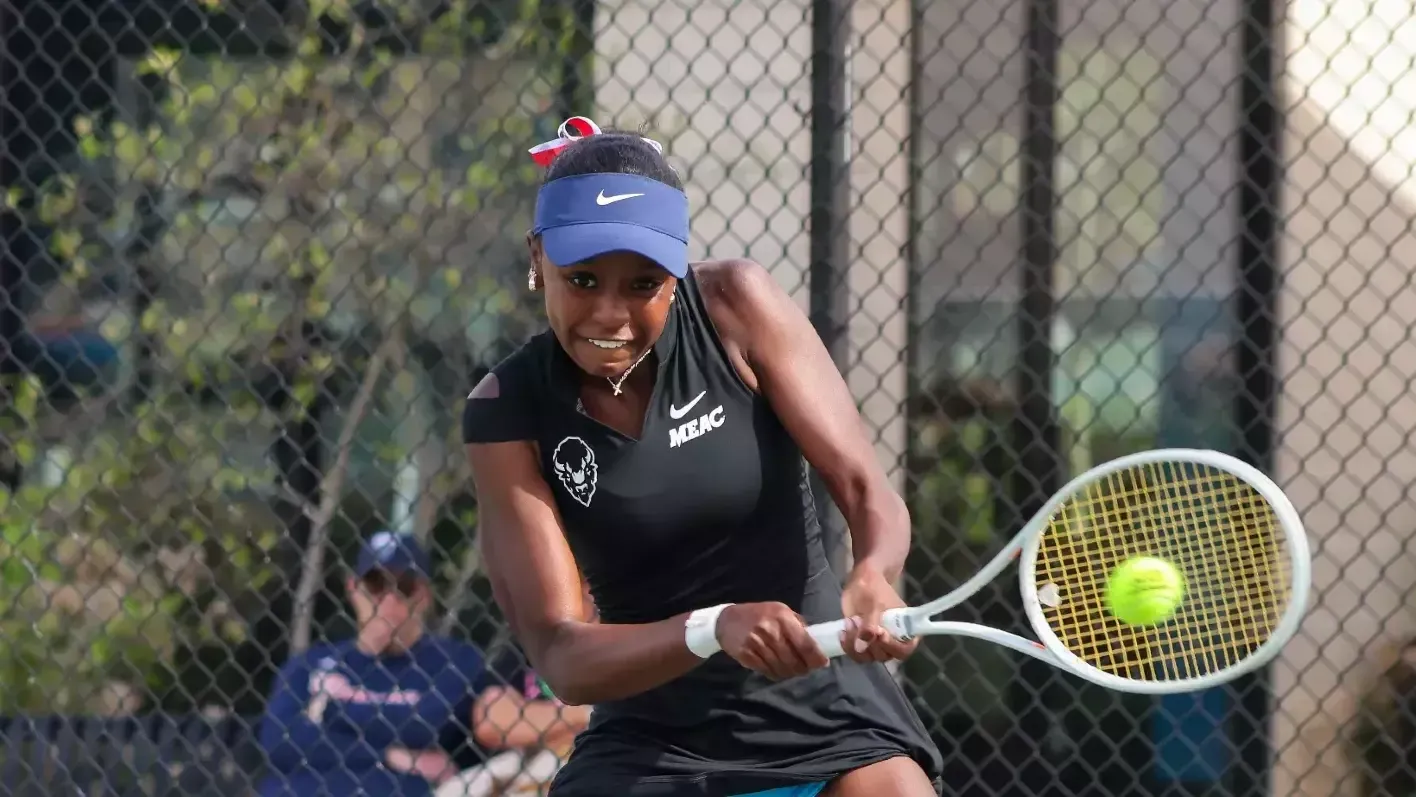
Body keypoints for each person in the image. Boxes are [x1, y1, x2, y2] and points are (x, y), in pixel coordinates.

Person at [462, 116, 945, 797]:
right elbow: (562, 654)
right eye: (584, 279)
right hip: (650, 744)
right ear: (537, 260)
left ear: (676, 272)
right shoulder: (505, 409)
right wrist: (713, 628)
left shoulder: (736, 306)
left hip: (831, 715)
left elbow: (868, 490)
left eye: (642, 284)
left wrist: (874, 571)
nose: (610, 313)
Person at [257, 531, 491, 797]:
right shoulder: (312, 663)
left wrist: (329, 715)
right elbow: (279, 741)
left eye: (404, 586)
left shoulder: (454, 661)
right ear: (354, 589)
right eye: (376, 584)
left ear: (423, 595)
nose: (389, 600)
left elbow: (425, 727)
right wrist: (388, 755)